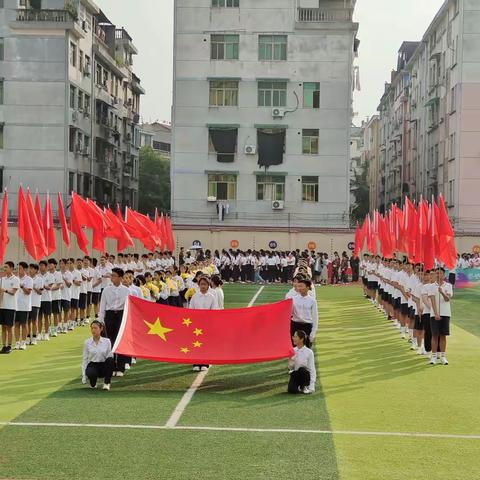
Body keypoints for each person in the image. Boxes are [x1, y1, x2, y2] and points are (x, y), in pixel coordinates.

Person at [98, 268, 131, 376]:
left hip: (121, 315)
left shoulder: (126, 290)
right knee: (110, 341)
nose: (112, 277)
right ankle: (111, 367)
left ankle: (120, 368)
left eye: (114, 276)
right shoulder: (106, 290)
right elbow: (102, 305)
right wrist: (101, 320)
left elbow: (129, 306)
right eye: (111, 275)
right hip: (110, 315)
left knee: (120, 340)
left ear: (120, 278)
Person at [189, 276, 218, 372]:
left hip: (207, 323)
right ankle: (196, 363)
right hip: (196, 323)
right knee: (196, 343)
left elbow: (214, 311)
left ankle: (205, 362)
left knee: (205, 343)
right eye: (201, 284)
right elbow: (191, 309)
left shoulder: (212, 297)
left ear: (208, 285)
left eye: (205, 284)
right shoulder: (194, 296)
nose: (203, 286)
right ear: (199, 285)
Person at [429, 268, 453, 365]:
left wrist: (442, 292)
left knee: (443, 335)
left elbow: (447, 299)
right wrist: (436, 313)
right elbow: (432, 301)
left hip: (446, 313)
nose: (438, 275)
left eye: (440, 273)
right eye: (437, 273)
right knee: (434, 335)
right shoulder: (431, 286)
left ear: (444, 275)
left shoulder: (448, 286)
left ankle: (443, 356)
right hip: (434, 314)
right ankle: (434, 356)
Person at [81, 320, 114, 391]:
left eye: (95, 328)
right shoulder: (87, 342)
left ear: (101, 329)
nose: (93, 330)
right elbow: (85, 359)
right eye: (92, 328)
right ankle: (93, 382)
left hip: (103, 365)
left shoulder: (107, 341)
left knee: (110, 359)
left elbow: (109, 355)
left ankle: (107, 383)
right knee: (92, 378)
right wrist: (84, 375)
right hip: (93, 365)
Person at [290, 279, 318, 346]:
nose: (299, 288)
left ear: (307, 287)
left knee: (306, 348)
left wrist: (313, 332)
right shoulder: (293, 299)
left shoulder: (312, 301)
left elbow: (315, 317)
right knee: (294, 349)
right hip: (295, 325)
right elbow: (289, 313)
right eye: (298, 286)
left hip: (307, 326)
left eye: (301, 286)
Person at [0, 262, 20, 354]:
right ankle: (3, 346)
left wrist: (5, 290)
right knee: (3, 327)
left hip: (11, 307)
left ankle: (9, 346)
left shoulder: (16, 279)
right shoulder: (1, 279)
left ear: (11, 268)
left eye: (6, 267)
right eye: (4, 267)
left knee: (9, 327)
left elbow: (13, 292)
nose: (4, 269)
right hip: (2, 306)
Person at [287, 330, 316, 394]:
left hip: (305, 375)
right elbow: (290, 368)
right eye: (293, 336)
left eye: (295, 337)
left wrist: (312, 386)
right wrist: (291, 360)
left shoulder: (309, 352)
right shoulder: (292, 351)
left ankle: (305, 386)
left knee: (302, 369)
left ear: (301, 339)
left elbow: (312, 369)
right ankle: (299, 388)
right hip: (296, 374)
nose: (293, 338)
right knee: (291, 390)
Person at [14, 262, 33, 350]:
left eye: (20, 268)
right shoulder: (15, 279)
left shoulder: (29, 279)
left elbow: (28, 292)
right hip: (15, 305)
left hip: (24, 306)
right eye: (18, 268)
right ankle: (17, 342)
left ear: (25, 269)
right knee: (16, 324)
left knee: (24, 324)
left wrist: (22, 287)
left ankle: (24, 342)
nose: (18, 270)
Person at [27, 263, 43, 345]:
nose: (30, 270)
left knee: (34, 321)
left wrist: (33, 287)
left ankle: (34, 337)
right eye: (29, 268)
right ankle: (27, 337)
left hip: (35, 303)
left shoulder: (39, 279)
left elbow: (40, 292)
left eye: (32, 269)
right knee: (27, 321)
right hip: (27, 303)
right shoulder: (27, 279)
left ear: (36, 270)